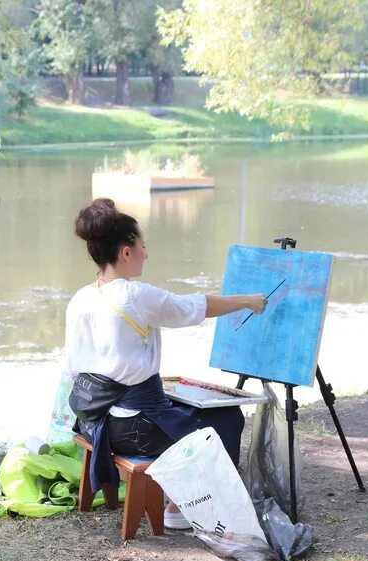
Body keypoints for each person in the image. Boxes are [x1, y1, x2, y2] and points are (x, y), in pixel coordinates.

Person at [65, 198, 267, 529]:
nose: (147, 252)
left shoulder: (81, 298)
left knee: (181, 408)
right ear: (126, 251)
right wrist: (246, 301)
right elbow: (193, 307)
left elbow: (78, 367)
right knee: (227, 418)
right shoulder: (133, 296)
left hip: (91, 420)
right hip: (130, 431)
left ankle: (180, 500)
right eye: (143, 245)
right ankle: (188, 508)